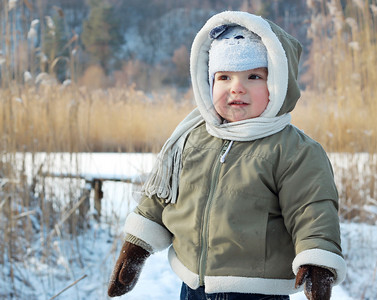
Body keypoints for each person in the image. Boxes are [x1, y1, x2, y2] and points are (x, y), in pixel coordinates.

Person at [108, 11, 346, 300]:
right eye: (224, 76)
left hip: (257, 291)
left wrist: (318, 260)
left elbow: (313, 209)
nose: (237, 87)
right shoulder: (192, 137)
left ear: (279, 84)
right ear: (208, 82)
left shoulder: (293, 151)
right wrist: (136, 247)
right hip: (193, 285)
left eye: (254, 76)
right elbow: (162, 195)